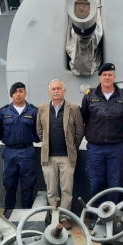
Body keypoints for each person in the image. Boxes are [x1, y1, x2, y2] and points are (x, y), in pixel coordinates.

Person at [81, 63, 123, 211]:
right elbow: (84, 117)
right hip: (95, 147)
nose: (107, 77)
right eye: (104, 75)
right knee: (96, 181)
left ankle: (113, 214)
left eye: (110, 75)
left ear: (114, 77)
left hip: (116, 146)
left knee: (114, 181)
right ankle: (96, 214)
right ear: (100, 77)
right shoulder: (90, 96)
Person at [36, 79, 84, 230]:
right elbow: (39, 130)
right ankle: (54, 216)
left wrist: (71, 145)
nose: (56, 91)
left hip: (67, 157)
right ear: (49, 92)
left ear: (64, 91)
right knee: (51, 190)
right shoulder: (42, 108)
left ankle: (63, 217)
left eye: (58, 88)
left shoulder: (74, 108)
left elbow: (79, 131)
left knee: (66, 189)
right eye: (53, 89)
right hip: (48, 157)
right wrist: (46, 142)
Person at [0, 82, 39, 215]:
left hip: (27, 151)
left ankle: (27, 213)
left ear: (25, 93)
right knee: (9, 183)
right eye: (15, 92)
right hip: (9, 151)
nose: (18, 94)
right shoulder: (4, 112)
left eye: (21, 91)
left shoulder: (33, 111)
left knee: (28, 184)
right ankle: (8, 211)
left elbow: (38, 132)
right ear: (11, 95)